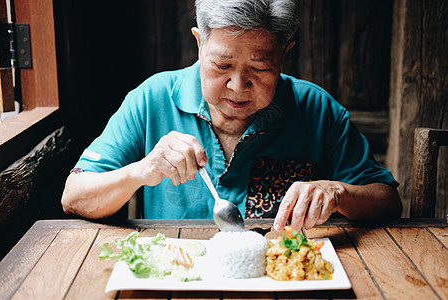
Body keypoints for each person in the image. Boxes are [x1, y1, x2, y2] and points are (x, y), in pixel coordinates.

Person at [61, 0, 402, 232]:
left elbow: (387, 201)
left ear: (285, 54)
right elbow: (75, 197)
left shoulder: (317, 108)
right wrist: (141, 171)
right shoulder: (153, 99)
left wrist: (338, 192)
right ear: (199, 43)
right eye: (222, 65)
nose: (238, 87)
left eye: (260, 67)